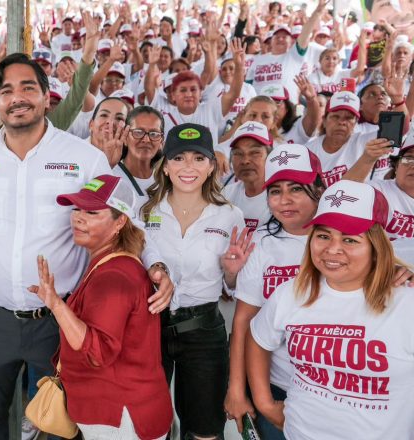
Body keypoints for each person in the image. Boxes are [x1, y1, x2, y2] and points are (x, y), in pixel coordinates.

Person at [0, 53, 172, 439]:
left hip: (60, 320)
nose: (17, 97)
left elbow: (129, 218)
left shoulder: (84, 158)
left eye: (28, 87)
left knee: (59, 423)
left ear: (46, 96)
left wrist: (158, 267)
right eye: (6, 90)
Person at [247, 179, 414, 438]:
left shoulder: (406, 303)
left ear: (375, 247)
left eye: (350, 240)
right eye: (323, 235)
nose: (332, 249)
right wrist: (264, 402)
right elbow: (258, 339)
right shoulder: (291, 293)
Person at [31, 174, 173, 439]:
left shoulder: (113, 276)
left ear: (120, 222)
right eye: (77, 208)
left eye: (92, 211)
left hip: (119, 416)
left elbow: (98, 352)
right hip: (123, 410)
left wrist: (57, 305)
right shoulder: (114, 263)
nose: (78, 217)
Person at [139, 123, 245, 440]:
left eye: (198, 158)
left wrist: (231, 270)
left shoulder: (230, 215)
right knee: (147, 426)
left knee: (205, 430)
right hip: (149, 326)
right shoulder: (144, 210)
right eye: (179, 158)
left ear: (211, 166)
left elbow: (232, 287)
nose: (189, 167)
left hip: (203, 332)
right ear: (166, 165)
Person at [224, 143, 325, 440]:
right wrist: (236, 389)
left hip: (333, 388)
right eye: (275, 190)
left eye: (296, 188)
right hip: (275, 385)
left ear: (319, 189)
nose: (285, 200)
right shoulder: (262, 243)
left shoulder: (343, 242)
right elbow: (243, 320)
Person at [222, 121, 274, 231]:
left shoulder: (282, 200)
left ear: (270, 157)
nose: (245, 161)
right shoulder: (225, 194)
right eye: (238, 153)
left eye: (255, 152)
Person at [113, 106, 164, 213]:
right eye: (138, 132)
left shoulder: (168, 178)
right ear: (125, 137)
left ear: (161, 142)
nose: (146, 140)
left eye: (154, 134)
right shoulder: (111, 174)